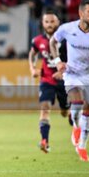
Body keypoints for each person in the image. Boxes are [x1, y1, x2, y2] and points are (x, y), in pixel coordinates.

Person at [50, 0, 89, 162]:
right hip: (72, 73)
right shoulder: (67, 29)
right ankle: (75, 126)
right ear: (81, 13)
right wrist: (58, 62)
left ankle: (82, 145)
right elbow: (52, 42)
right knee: (76, 104)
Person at [28, 10, 71, 153]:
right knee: (45, 108)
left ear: (58, 22)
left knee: (65, 111)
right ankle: (44, 141)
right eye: (47, 22)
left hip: (65, 81)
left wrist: (63, 71)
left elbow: (75, 59)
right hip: (47, 80)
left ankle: (70, 113)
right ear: (43, 23)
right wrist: (32, 68)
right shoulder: (37, 40)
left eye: (52, 21)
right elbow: (32, 54)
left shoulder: (67, 40)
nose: (50, 24)